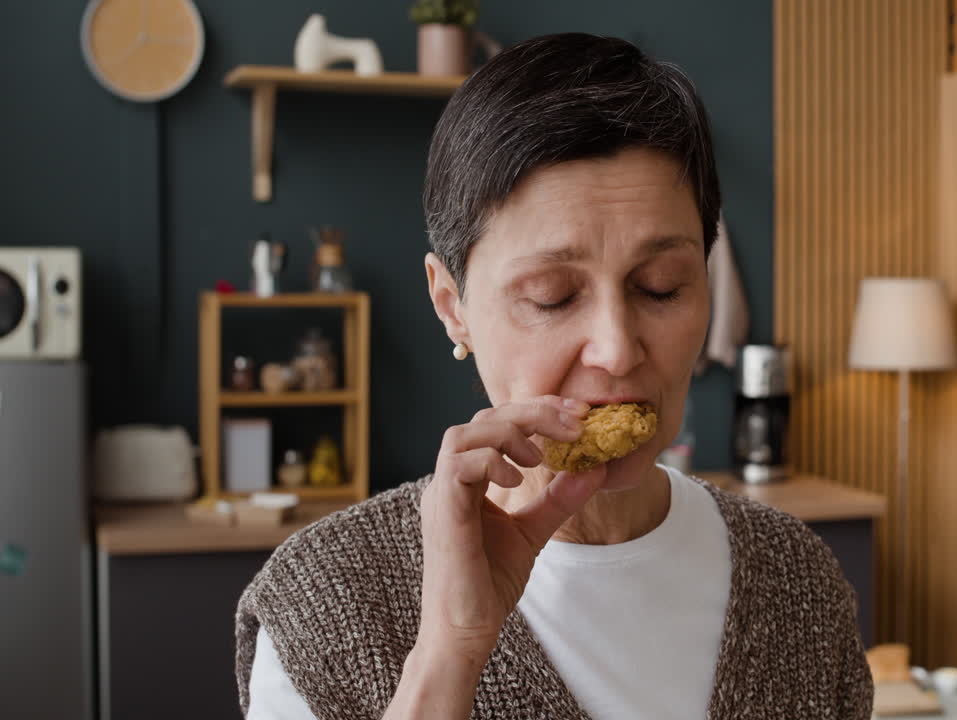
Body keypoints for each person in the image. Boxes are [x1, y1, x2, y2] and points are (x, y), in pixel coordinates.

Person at [235, 32, 872, 720]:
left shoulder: (799, 586)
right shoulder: (326, 606)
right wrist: (449, 650)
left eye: (661, 287)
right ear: (453, 308)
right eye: (552, 297)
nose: (617, 349)